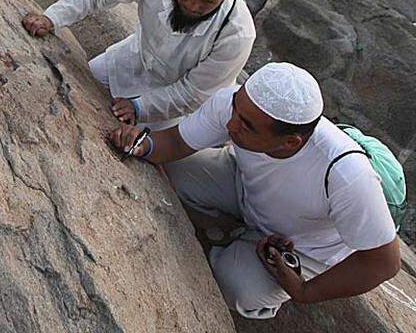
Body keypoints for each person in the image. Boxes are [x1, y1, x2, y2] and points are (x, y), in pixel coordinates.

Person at [109, 63, 400, 319]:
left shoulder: (346, 175)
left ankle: (234, 250)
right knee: (176, 169)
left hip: (301, 246)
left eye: (245, 125)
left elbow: (383, 262)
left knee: (239, 289)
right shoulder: (238, 107)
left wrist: (304, 291)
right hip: (245, 189)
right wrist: (142, 144)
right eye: (236, 107)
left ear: (291, 142)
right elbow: (175, 143)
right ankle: (232, 232)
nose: (230, 124)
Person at [22, 0, 255, 130]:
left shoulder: (237, 36)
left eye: (207, 2)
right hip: (127, 61)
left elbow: (192, 93)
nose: (192, 6)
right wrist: (52, 18)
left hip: (170, 108)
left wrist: (141, 107)